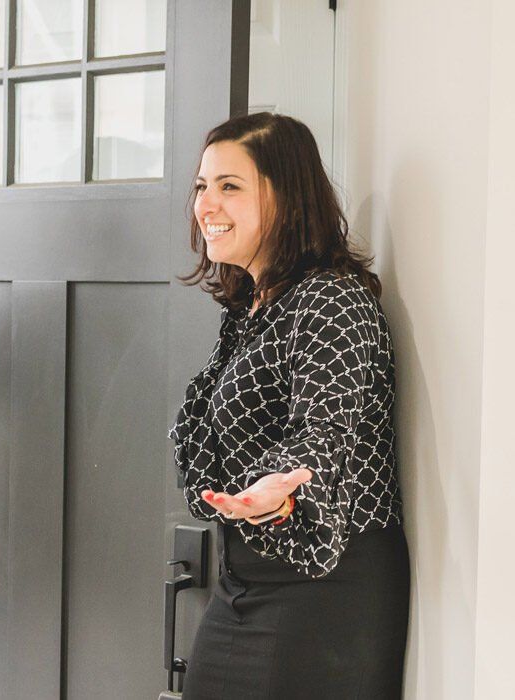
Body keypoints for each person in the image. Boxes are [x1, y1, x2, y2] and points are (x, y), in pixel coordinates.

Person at [169, 112, 409, 699]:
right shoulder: (251, 307)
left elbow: (325, 428)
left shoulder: (333, 300)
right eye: (203, 186)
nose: (207, 205)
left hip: (327, 592)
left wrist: (281, 487)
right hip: (244, 584)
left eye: (230, 186)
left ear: (288, 196)